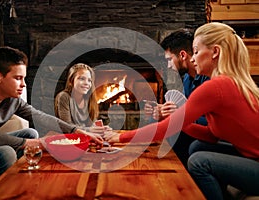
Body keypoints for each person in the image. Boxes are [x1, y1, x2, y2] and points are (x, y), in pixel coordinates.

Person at [105, 22, 259, 199]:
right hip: (249, 157)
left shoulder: (216, 87)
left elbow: (166, 128)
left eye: (197, 51)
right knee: (198, 146)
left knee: (199, 162)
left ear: (215, 52)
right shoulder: (227, 83)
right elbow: (211, 135)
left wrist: (120, 137)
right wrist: (179, 122)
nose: (193, 59)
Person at [0, 46, 103, 188]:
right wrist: (42, 143)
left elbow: (39, 116)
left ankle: (20, 181)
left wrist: (76, 131)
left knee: (31, 133)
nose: (23, 84)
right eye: (18, 78)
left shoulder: (12, 100)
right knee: (5, 153)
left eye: (24, 78)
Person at [144, 28, 209, 166]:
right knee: (156, 117)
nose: (167, 65)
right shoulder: (186, 79)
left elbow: (208, 120)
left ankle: (177, 174)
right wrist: (163, 112)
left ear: (182, 55)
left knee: (173, 132)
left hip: (205, 132)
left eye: (168, 59)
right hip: (191, 128)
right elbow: (183, 108)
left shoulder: (208, 78)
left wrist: (179, 114)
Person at [54, 63, 107, 134]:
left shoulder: (89, 99)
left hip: (86, 136)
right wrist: (89, 130)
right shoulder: (64, 97)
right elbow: (67, 127)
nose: (86, 83)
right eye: (82, 79)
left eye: (89, 80)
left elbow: (91, 125)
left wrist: (101, 129)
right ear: (71, 81)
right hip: (68, 139)